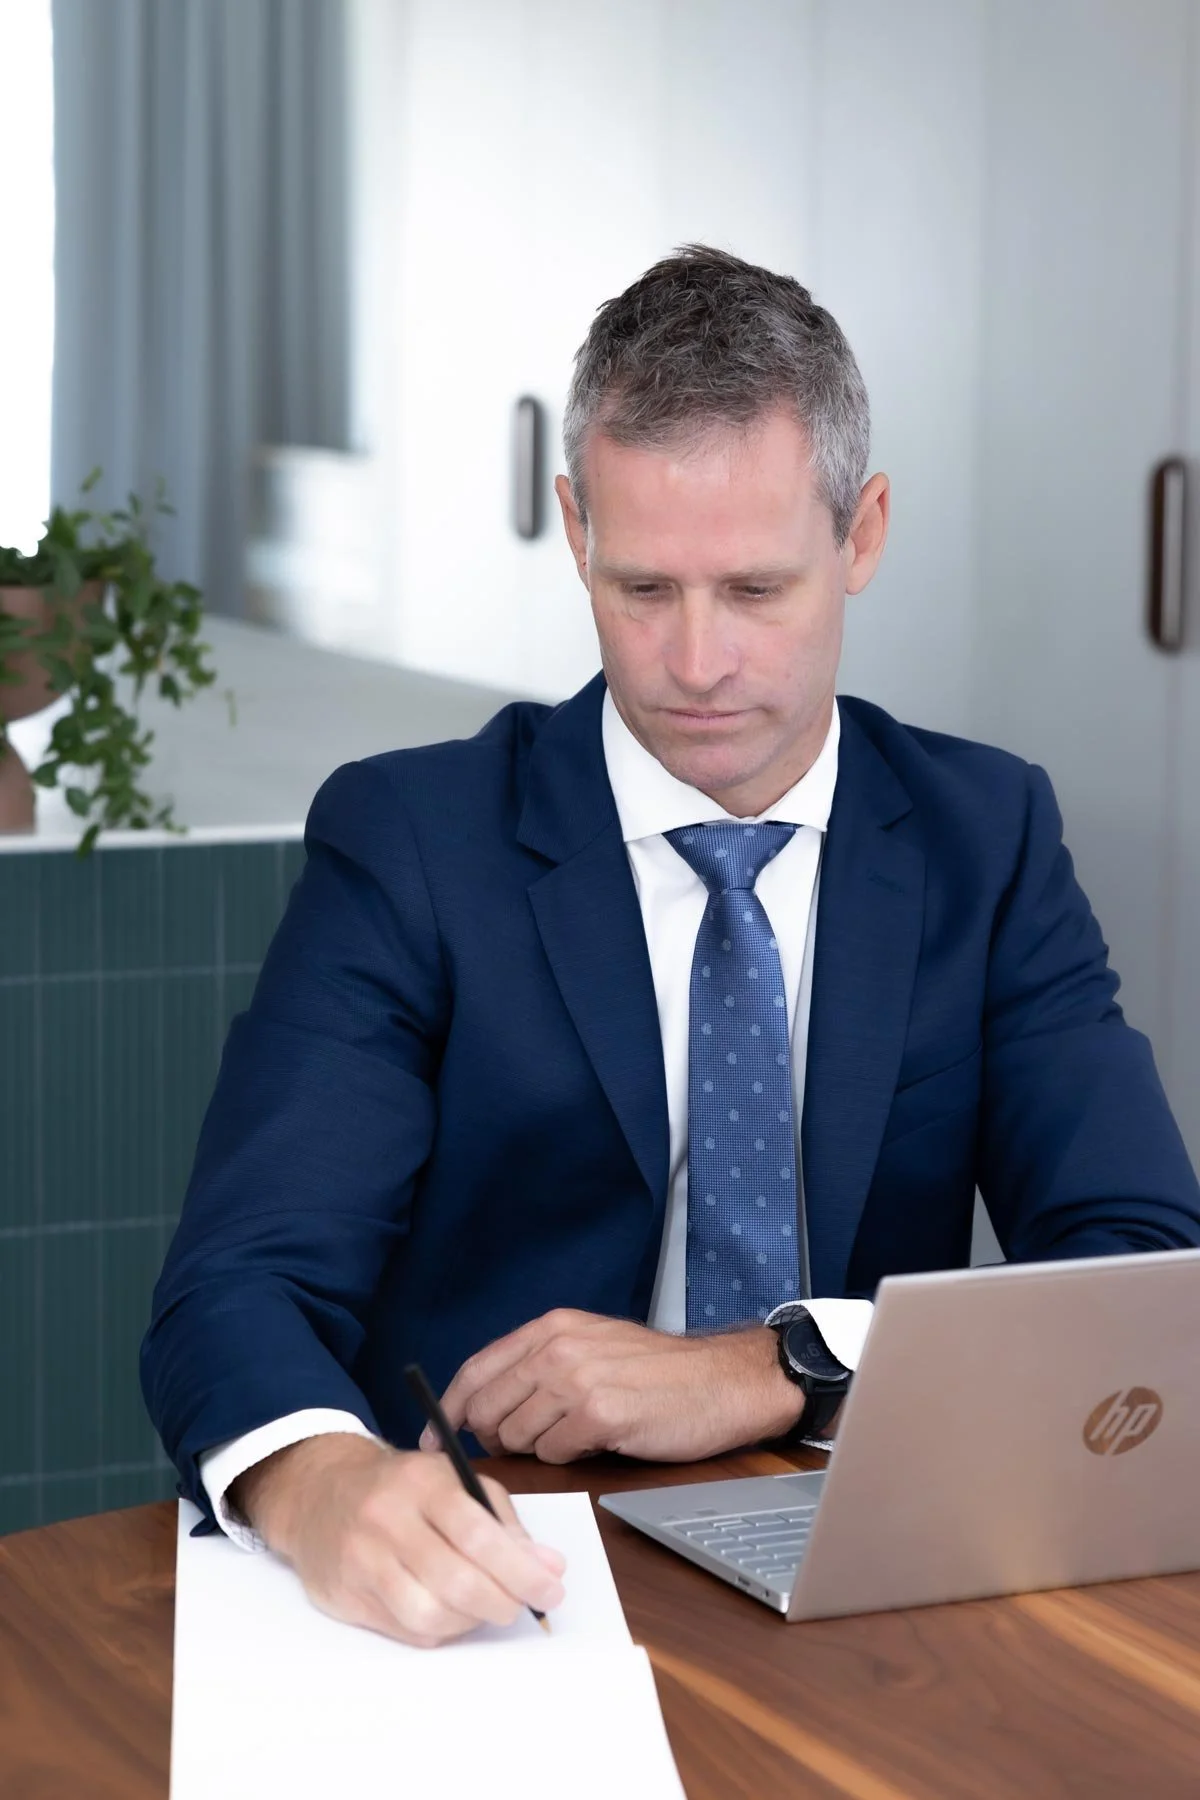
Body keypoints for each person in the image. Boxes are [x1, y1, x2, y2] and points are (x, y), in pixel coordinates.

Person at [142, 244, 1200, 1650]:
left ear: (863, 534)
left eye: (756, 591)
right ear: (576, 531)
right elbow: (239, 1282)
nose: (696, 664)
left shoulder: (983, 835)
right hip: (504, 1587)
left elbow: (1141, 1274)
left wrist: (777, 1367)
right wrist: (315, 1479)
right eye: (643, 589)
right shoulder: (413, 840)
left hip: (868, 1572)